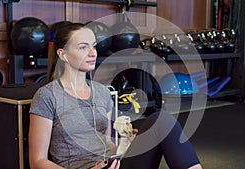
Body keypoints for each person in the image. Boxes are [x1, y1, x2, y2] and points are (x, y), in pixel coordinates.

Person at [28, 22, 203, 169]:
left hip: (113, 165)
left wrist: (126, 144)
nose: (92, 53)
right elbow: (37, 161)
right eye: (83, 47)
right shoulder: (47, 96)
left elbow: (107, 143)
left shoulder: (103, 92)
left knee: (162, 120)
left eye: (93, 46)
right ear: (63, 54)